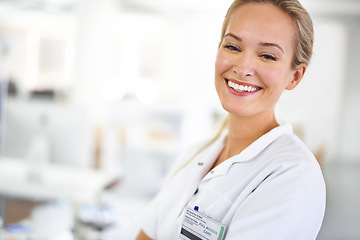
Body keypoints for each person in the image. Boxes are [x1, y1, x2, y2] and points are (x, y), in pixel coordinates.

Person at [136, 0, 326, 239]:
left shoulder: (294, 176)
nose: (243, 67)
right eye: (233, 47)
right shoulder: (194, 155)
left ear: (295, 76)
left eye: (267, 55)